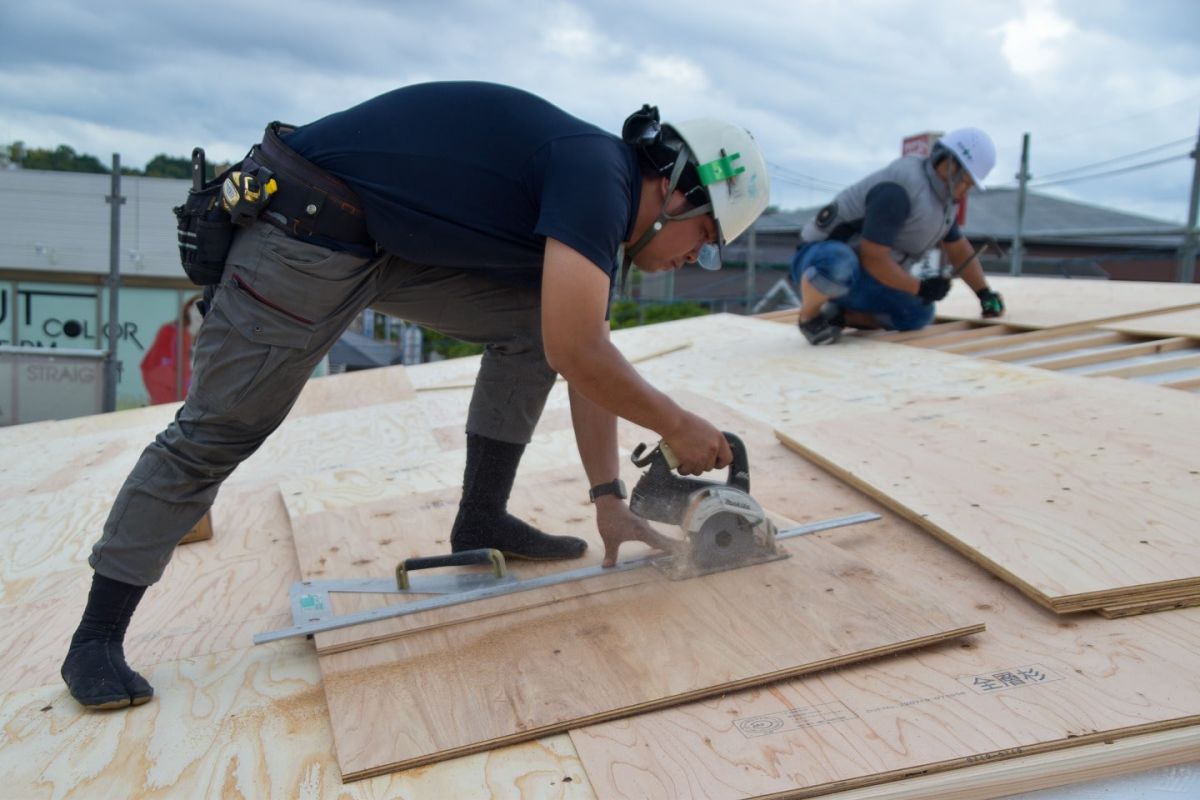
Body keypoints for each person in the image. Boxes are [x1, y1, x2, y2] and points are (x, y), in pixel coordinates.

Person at [60, 81, 770, 709]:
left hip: (382, 242)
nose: (694, 258)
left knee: (535, 319)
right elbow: (580, 351)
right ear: (675, 190)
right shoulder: (597, 179)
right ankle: (96, 637)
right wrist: (678, 425)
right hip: (302, 234)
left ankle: (481, 519)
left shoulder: (599, 202)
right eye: (704, 237)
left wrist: (609, 500)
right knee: (218, 432)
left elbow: (581, 348)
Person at [790, 128, 1005, 345]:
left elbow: (958, 249)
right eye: (966, 182)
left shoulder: (943, 203)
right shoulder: (901, 189)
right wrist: (921, 287)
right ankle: (810, 318)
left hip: (864, 276)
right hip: (818, 260)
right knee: (839, 263)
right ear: (949, 165)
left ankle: (838, 315)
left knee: (919, 313)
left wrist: (984, 294)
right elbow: (873, 256)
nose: (965, 190)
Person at [140, 294, 202, 404]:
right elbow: (156, 368)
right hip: (168, 398)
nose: (200, 313)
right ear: (188, 309)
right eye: (197, 307)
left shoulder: (210, 339)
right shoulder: (169, 332)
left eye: (205, 309)